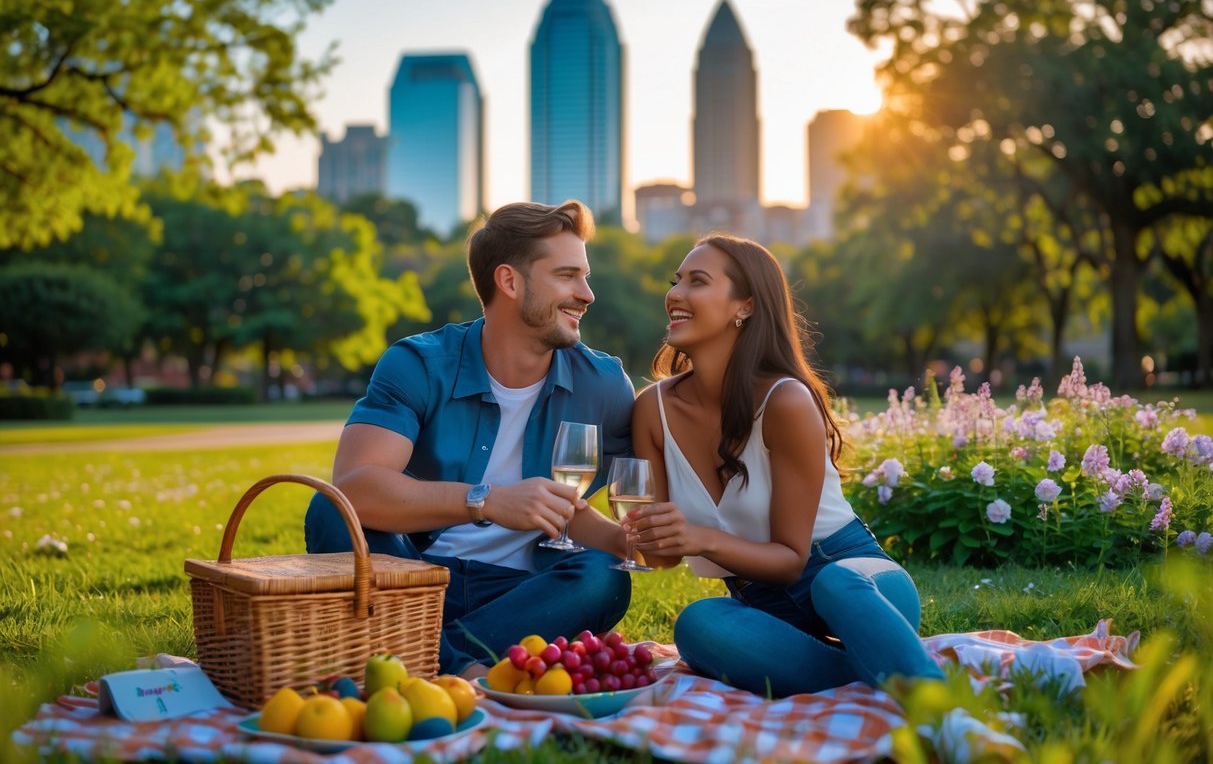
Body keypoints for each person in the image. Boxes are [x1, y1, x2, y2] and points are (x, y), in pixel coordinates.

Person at [305, 200, 635, 679]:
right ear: (509, 281)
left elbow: (631, 517)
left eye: (585, 276)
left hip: (525, 595)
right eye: (567, 276)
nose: (587, 294)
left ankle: (417, 656)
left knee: (603, 578)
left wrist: (632, 539)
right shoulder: (418, 363)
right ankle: (462, 665)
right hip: (411, 574)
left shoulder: (602, 383)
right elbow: (354, 488)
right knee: (330, 511)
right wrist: (486, 501)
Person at [624, 233, 944, 696]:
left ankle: (943, 713)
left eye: (698, 281)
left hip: (858, 583)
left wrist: (700, 537)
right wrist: (642, 531)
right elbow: (661, 557)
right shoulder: (651, 409)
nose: (675, 294)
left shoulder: (784, 400)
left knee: (834, 582)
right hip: (765, 609)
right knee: (697, 622)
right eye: (677, 281)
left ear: (746, 306)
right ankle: (866, 669)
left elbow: (792, 561)